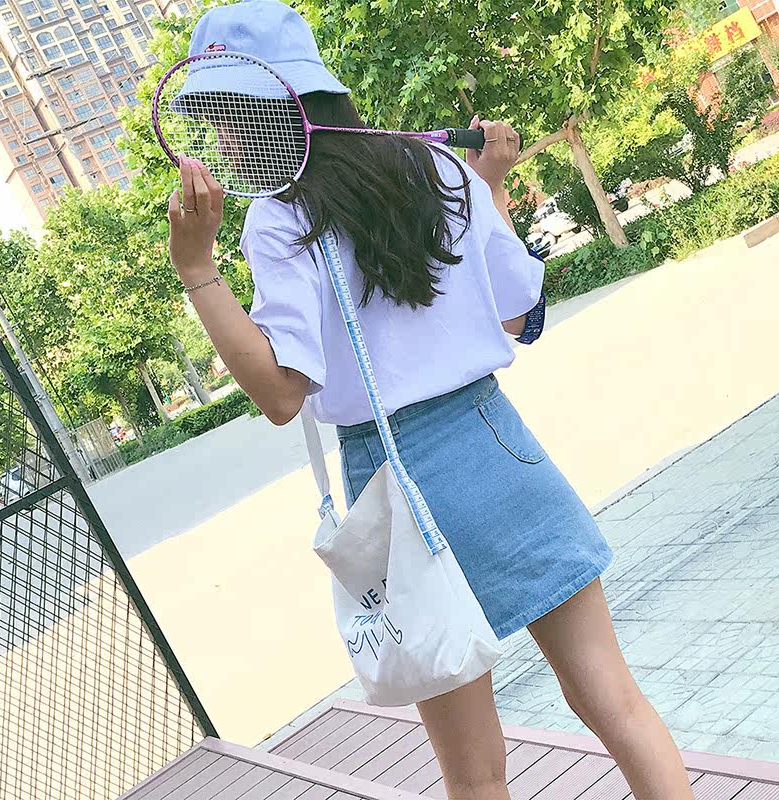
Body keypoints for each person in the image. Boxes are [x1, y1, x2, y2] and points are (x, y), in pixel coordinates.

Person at [166, 2, 694, 798]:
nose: (224, 144)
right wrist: (490, 186)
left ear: (268, 111)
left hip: (395, 485)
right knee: (612, 699)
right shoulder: (440, 169)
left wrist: (196, 269)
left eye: (226, 121)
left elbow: (280, 394)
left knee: (474, 775)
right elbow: (519, 312)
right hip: (497, 445)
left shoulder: (279, 219)